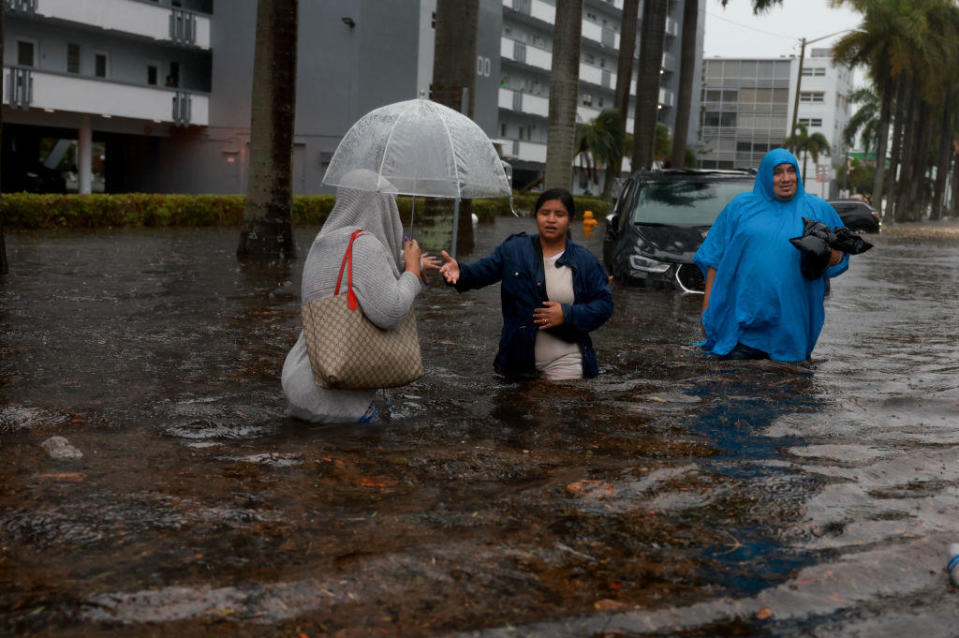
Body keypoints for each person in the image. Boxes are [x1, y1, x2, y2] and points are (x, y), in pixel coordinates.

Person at [282, 170, 438, 422]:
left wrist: (410, 265)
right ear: (380, 203)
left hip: (300, 378)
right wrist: (411, 272)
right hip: (335, 400)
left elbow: (356, 279)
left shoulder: (325, 241)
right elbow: (389, 311)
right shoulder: (365, 245)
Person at [439, 188, 613, 380]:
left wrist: (567, 314)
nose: (551, 219)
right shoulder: (514, 250)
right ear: (536, 216)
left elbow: (604, 305)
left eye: (559, 214)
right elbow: (481, 272)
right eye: (545, 213)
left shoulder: (584, 261)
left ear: (570, 220)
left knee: (555, 406)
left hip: (567, 360)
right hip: (517, 361)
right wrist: (460, 272)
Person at [693, 148, 849, 362]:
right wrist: (707, 310)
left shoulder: (817, 209)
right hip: (742, 327)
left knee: (789, 390)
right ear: (766, 175)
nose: (786, 178)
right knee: (734, 389)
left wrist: (827, 254)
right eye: (777, 172)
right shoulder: (740, 208)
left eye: (790, 171)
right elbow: (714, 259)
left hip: (792, 327)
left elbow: (842, 256)